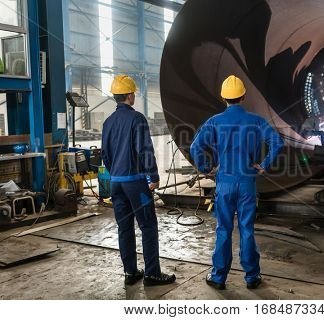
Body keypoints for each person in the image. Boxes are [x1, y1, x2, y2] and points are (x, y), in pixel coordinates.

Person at [190, 75, 285, 290]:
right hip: (247, 183)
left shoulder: (214, 121)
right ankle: (252, 277)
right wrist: (264, 164)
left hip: (224, 183)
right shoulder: (257, 120)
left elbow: (196, 147)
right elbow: (277, 142)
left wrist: (207, 169)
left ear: (223, 97)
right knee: (247, 229)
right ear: (243, 96)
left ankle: (218, 277)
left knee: (223, 229)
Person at [101, 75, 176, 287]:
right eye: (133, 92)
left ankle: (131, 272)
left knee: (124, 227)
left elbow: (105, 154)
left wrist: (115, 172)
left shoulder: (108, 122)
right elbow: (144, 150)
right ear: (130, 95)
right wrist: (152, 176)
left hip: (116, 182)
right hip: (135, 183)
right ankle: (152, 274)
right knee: (148, 225)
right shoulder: (137, 119)